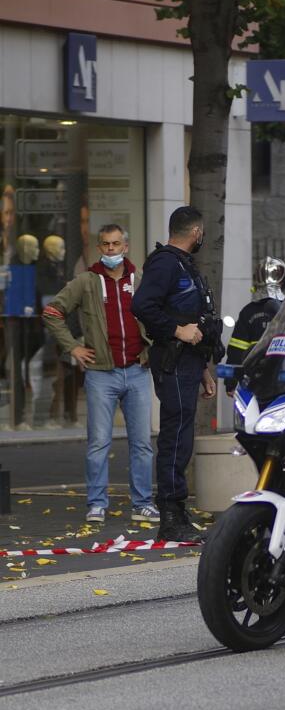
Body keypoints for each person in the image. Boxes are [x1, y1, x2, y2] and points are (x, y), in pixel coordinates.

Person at [43, 224, 157, 524]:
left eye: (116, 244)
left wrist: (151, 350)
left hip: (137, 371)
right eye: (105, 245)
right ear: (99, 247)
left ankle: (143, 503)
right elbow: (52, 313)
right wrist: (74, 348)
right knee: (98, 442)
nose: (110, 250)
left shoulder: (141, 279)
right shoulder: (86, 281)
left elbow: (160, 316)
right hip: (100, 375)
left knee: (142, 443)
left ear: (126, 246)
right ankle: (96, 504)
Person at [132, 206, 221, 543]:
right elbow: (142, 305)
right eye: (202, 232)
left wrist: (203, 370)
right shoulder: (166, 263)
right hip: (172, 359)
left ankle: (177, 511)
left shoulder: (183, 264)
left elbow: (192, 318)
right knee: (175, 437)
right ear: (196, 232)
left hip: (188, 362)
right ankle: (170, 514)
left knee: (181, 436)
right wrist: (177, 330)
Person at [224, 256, 285, 394]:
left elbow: (236, 350)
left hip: (256, 377)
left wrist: (231, 383)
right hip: (282, 377)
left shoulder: (249, 311)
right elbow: (237, 348)